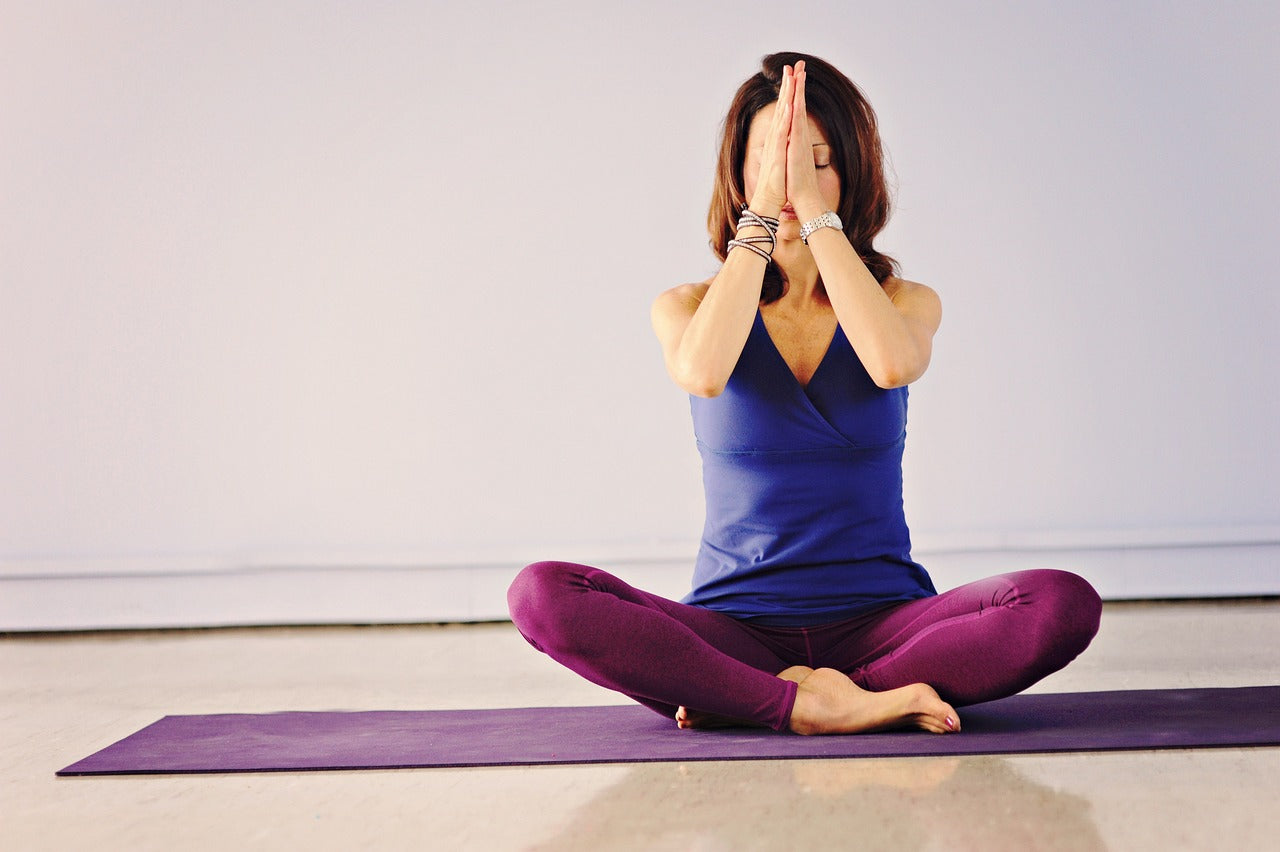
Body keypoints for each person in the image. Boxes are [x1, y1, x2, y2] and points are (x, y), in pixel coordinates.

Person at [507, 52, 1101, 736]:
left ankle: (780, 699)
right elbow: (703, 372)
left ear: (852, 170)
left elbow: (890, 365)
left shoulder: (904, 301)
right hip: (733, 627)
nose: (791, 179)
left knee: (1061, 602)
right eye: (770, 158)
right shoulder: (688, 305)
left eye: (817, 160)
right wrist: (762, 217)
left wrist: (816, 216)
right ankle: (835, 703)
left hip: (886, 625)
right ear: (736, 173)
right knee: (543, 594)